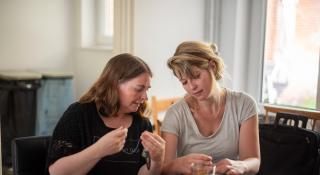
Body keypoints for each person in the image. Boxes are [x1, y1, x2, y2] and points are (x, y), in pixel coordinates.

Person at [46, 53, 165, 175]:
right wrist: (99, 149)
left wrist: (157, 161)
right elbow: (55, 172)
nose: (145, 97)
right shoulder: (79, 114)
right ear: (115, 84)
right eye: (139, 89)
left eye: (147, 89)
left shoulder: (142, 124)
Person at [161, 41, 260, 175]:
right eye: (184, 82)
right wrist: (178, 164)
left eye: (196, 76)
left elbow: (253, 160)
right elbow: (163, 169)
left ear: (212, 66)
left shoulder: (244, 104)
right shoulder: (175, 114)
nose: (191, 87)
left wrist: (241, 165)